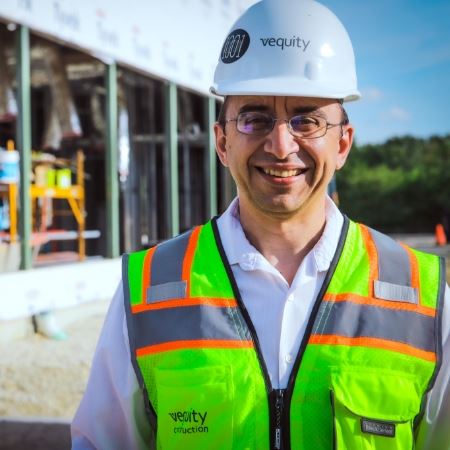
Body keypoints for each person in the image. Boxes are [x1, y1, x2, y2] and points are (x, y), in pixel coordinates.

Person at [71, 1, 450, 449]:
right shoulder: (149, 290)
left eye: (307, 120)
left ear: (343, 143)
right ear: (222, 141)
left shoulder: (425, 298)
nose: (280, 144)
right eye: (255, 118)